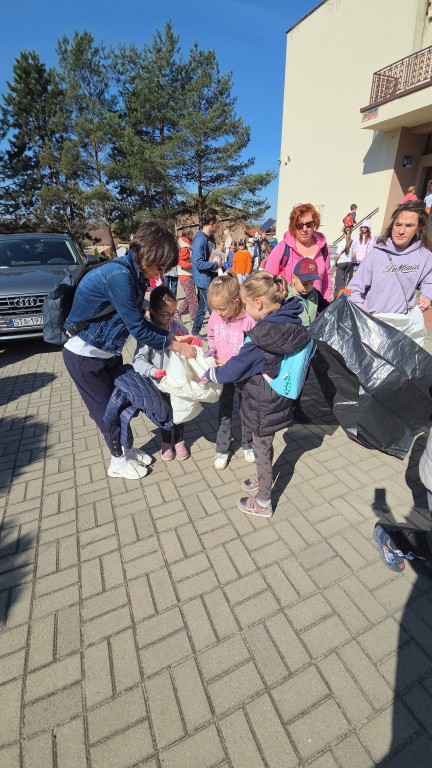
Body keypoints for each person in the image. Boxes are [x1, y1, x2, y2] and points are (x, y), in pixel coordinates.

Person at [63, 222, 197, 480]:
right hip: (84, 355)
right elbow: (138, 329)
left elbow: (140, 318)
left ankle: (127, 449)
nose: (160, 274)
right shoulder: (120, 276)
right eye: (160, 267)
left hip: (107, 353)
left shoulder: (134, 274)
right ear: (147, 255)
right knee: (106, 411)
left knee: (125, 400)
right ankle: (117, 461)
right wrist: (176, 344)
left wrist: (172, 334)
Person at [201, 272, 309, 518]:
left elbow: (233, 368)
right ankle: (263, 475)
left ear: (258, 303)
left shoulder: (261, 340)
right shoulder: (288, 319)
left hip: (262, 405)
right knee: (266, 446)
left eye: (247, 305)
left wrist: (211, 374)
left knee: (262, 449)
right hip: (276, 396)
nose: (246, 312)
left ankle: (262, 502)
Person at [348, 201, 432, 342]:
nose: (401, 230)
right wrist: (361, 310)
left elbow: (428, 281)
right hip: (371, 323)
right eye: (398, 224)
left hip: (402, 326)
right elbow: (354, 288)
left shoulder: (425, 256)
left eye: (409, 225)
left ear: (418, 228)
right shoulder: (376, 254)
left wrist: (427, 297)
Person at [133, 286, 194, 462]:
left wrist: (193, 342)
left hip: (178, 382)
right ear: (152, 311)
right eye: (165, 314)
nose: (170, 318)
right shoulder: (148, 333)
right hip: (159, 383)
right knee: (164, 414)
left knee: (179, 412)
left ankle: (180, 440)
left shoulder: (177, 327)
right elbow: (139, 360)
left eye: (173, 313)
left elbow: (189, 341)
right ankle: (167, 441)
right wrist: (153, 371)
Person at [206, 271, 256, 470]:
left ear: (236, 302)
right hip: (223, 372)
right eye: (214, 309)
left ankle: (248, 444)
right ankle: (223, 448)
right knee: (224, 410)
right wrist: (211, 352)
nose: (218, 313)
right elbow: (210, 337)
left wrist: (234, 362)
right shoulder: (215, 317)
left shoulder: (249, 319)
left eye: (221, 309)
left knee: (246, 409)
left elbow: (253, 348)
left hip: (243, 373)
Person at [287, 258, 329, 422]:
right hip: (291, 347)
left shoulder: (314, 295)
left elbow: (326, 308)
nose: (308, 287)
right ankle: (284, 409)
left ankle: (296, 409)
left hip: (307, 347)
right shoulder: (286, 298)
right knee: (290, 378)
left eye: (311, 283)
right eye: (304, 283)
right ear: (294, 278)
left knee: (303, 377)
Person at [265, 203, 332, 300]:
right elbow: (268, 280)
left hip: (316, 310)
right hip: (288, 310)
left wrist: (326, 304)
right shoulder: (282, 248)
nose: (304, 229)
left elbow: (326, 278)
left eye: (308, 224)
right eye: (300, 225)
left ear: (314, 224)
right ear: (293, 226)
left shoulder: (323, 248)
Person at [191, 208, 222, 338]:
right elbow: (198, 263)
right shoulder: (199, 239)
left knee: (202, 307)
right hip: (203, 280)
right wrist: (215, 264)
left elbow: (210, 256)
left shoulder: (211, 238)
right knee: (212, 308)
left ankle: (194, 332)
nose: (219, 225)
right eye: (217, 222)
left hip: (211, 277)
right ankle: (219, 334)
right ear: (211, 223)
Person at [177, 229, 198, 326]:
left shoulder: (187, 244)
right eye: (192, 233)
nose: (193, 235)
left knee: (189, 297)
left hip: (188, 275)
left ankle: (178, 314)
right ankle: (194, 320)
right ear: (189, 234)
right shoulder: (184, 247)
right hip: (185, 276)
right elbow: (180, 261)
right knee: (193, 300)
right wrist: (191, 265)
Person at [334, 226, 354, 296]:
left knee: (340, 281)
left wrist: (333, 256)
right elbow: (354, 253)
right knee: (346, 280)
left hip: (341, 262)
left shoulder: (342, 242)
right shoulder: (352, 242)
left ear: (343, 233)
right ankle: (345, 295)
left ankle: (338, 296)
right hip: (349, 262)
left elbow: (338, 255)